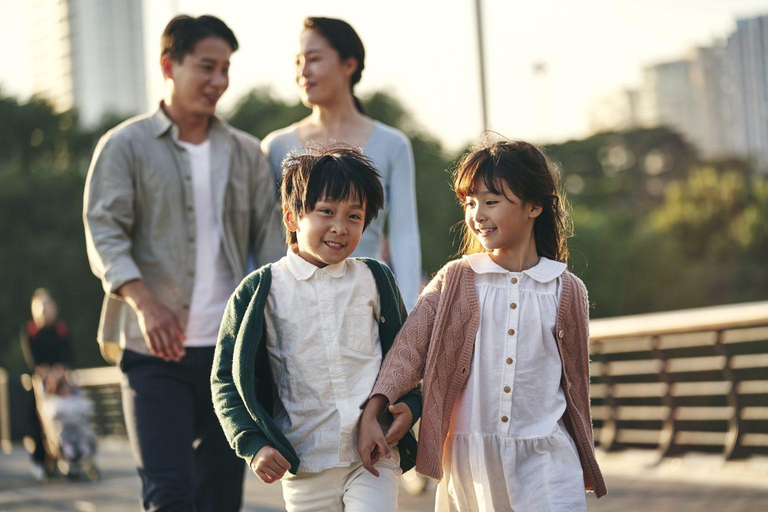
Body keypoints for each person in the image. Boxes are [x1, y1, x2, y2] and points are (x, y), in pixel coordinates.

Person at [83, 14, 283, 512]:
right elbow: (103, 229)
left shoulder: (246, 155)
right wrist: (146, 303)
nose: (219, 81)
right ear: (169, 65)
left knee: (220, 499)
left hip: (230, 357)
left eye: (226, 69)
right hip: (153, 356)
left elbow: (273, 246)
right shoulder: (124, 146)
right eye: (207, 67)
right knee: (168, 494)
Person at [357, 140, 607, 511]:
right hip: (471, 458)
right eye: (470, 203)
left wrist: (583, 449)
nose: (477, 214)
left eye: (491, 202)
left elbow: (575, 384)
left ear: (534, 206)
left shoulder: (567, 290)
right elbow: (409, 350)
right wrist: (374, 409)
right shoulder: (458, 278)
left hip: (547, 455)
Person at [211, 147, 422, 512]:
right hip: (303, 466)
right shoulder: (260, 290)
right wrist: (253, 444)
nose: (340, 227)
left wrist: (411, 406)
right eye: (326, 211)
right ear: (292, 217)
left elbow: (405, 359)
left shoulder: (375, 279)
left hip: (372, 458)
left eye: (354, 216)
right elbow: (225, 380)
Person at [261, 17, 422, 311]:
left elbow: (404, 235)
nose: (303, 71)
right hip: (294, 309)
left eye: (314, 59)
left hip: (366, 304)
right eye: (298, 61)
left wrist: (407, 313)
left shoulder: (392, 144)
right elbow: (266, 238)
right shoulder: (276, 147)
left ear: (349, 65)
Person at [20, 288, 74, 479]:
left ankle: (66, 455)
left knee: (63, 419)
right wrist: (45, 373)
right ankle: (39, 461)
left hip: (59, 384)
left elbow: (68, 355)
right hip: (38, 384)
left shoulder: (60, 329)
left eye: (47, 306)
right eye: (40, 307)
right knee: (36, 421)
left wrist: (61, 371)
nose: (44, 311)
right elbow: (33, 361)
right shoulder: (30, 331)